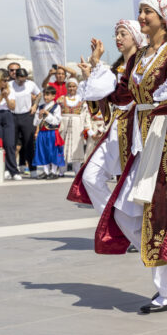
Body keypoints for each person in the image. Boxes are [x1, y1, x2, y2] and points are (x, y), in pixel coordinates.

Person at [78, 0, 167, 313]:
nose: (142, 16)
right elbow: (121, 95)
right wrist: (97, 69)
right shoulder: (140, 55)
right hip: (141, 138)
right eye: (141, 11)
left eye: (148, 12)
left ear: (164, 17)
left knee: (163, 212)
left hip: (166, 137)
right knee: (123, 211)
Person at [69, 19, 146, 214]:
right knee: (90, 176)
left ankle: (131, 229)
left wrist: (96, 67)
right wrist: (91, 75)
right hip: (115, 130)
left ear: (136, 37)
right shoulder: (115, 70)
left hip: (136, 129)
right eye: (117, 34)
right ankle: (117, 221)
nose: (118, 38)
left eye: (123, 34)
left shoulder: (143, 66)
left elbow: (129, 96)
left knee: (132, 185)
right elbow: (100, 106)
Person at [8, 68, 42, 176]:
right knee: (11, 144)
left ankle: (33, 169)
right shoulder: (9, 84)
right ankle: (10, 169)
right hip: (12, 115)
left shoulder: (30, 84)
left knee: (29, 143)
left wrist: (35, 105)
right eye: (20, 80)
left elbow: (39, 94)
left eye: (24, 80)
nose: (22, 82)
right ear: (15, 77)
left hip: (27, 115)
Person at [33, 86, 65, 179]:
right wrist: (39, 116)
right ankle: (46, 171)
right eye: (44, 95)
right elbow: (35, 123)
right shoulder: (40, 107)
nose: (45, 97)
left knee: (53, 152)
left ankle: (54, 171)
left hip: (52, 133)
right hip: (42, 133)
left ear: (53, 96)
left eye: (48, 95)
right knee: (43, 151)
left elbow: (56, 121)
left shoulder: (56, 107)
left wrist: (47, 114)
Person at [59, 77, 88, 170]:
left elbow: (85, 114)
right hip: (64, 125)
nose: (71, 88)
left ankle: (76, 169)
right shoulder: (61, 99)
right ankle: (62, 170)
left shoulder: (81, 99)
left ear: (77, 87)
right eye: (69, 86)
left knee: (77, 147)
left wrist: (83, 126)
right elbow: (57, 112)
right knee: (62, 146)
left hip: (77, 125)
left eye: (73, 86)